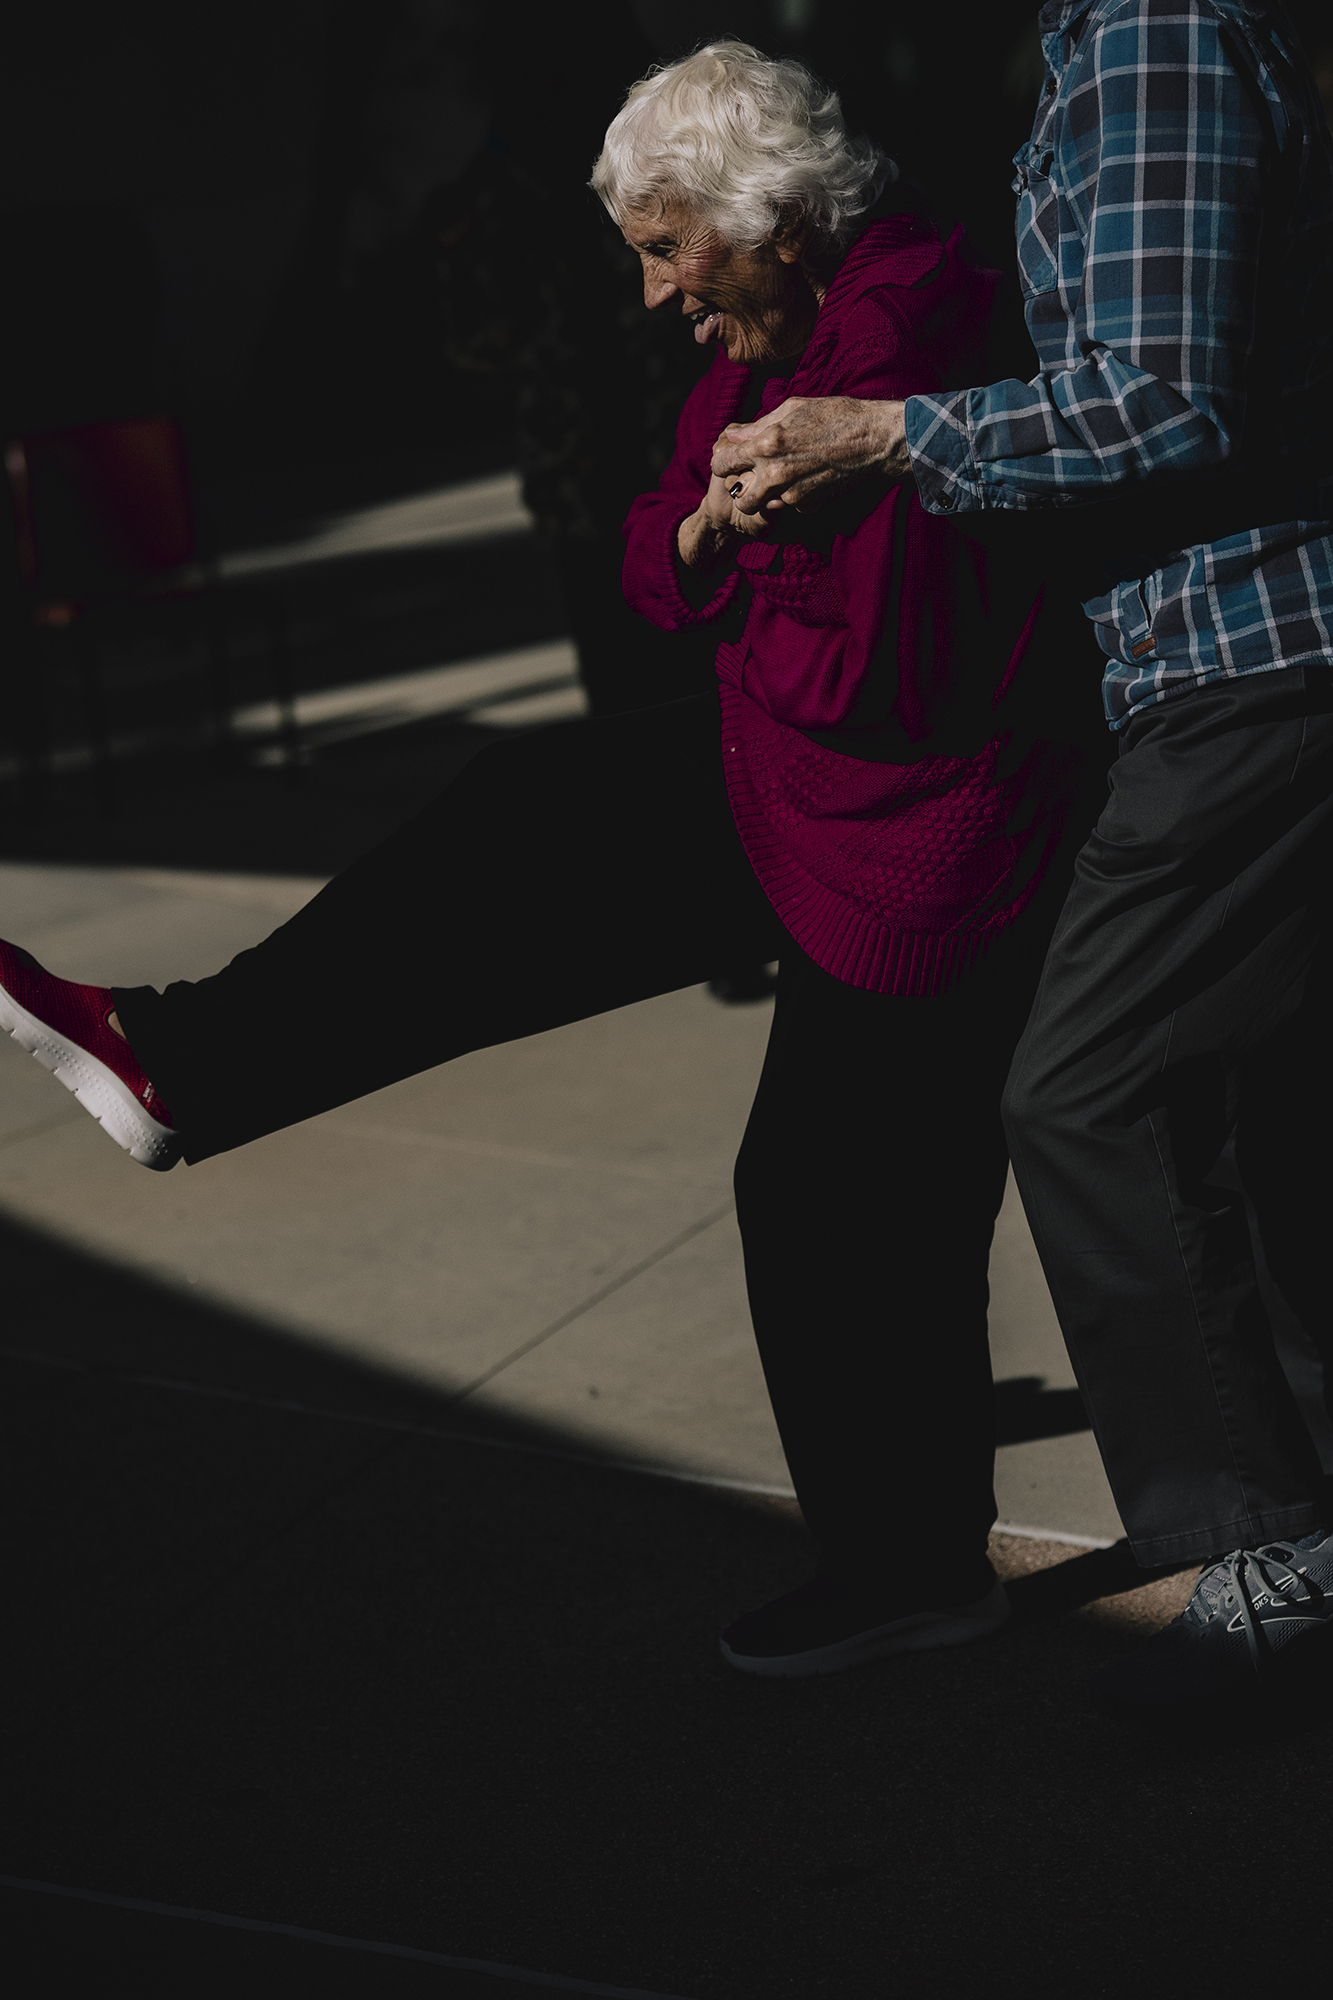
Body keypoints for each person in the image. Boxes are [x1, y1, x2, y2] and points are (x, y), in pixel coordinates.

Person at [0, 43, 1098, 1679]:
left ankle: (913, 1568)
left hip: (932, 828)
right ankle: (184, 1060)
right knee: (531, 820)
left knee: (841, 1192)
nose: (653, 294)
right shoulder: (768, 348)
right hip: (811, 773)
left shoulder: (909, 324)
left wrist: (773, 524)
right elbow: (657, 558)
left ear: (781, 220)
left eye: (668, 249)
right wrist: (711, 533)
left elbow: (869, 634)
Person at [714, 0, 1333, 1711]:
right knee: (1239, 1103)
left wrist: (888, 436)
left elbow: (1159, 399)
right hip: (1222, 664)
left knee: (1089, 1091)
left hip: (1246, 658)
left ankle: (1264, 1548)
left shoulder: (1148, 34)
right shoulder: (1116, 41)